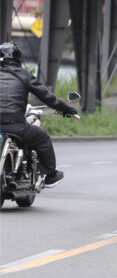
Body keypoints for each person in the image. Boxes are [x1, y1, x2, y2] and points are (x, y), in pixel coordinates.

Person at [0, 42, 77, 188]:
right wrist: (67, 109)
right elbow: (48, 97)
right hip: (16, 125)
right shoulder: (24, 75)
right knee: (43, 139)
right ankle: (51, 175)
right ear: (18, 59)